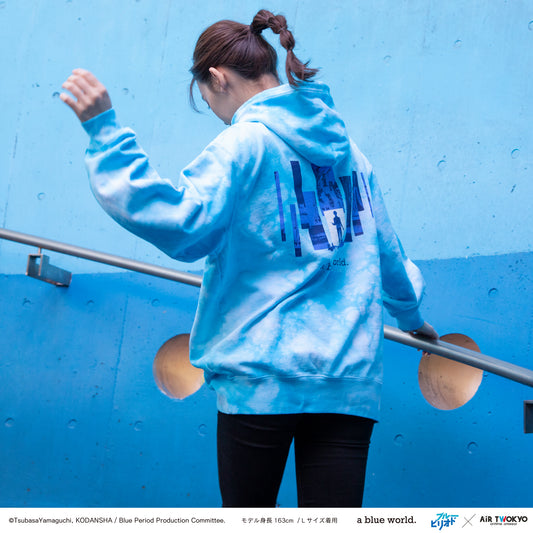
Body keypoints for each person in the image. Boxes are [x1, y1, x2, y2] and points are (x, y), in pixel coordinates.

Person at [60, 9, 438, 508]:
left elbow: (182, 224)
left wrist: (105, 134)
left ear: (217, 78)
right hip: (347, 380)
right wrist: (413, 319)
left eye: (207, 99)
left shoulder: (243, 145)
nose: (218, 114)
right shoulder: (351, 154)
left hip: (260, 376)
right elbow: (386, 253)